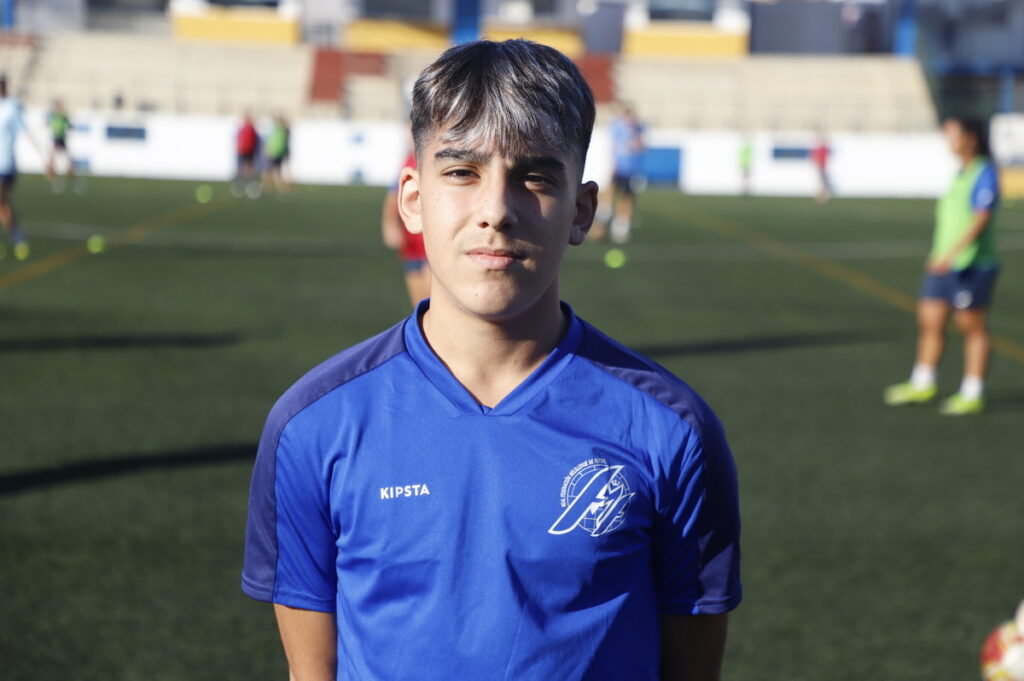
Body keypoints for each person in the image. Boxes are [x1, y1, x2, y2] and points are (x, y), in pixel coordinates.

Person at [242, 39, 742, 681]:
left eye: (534, 176)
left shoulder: (674, 433)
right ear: (412, 199)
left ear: (582, 211)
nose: (496, 212)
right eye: (461, 172)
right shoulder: (313, 428)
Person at [884, 116, 1000, 416]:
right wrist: (940, 255)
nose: (948, 140)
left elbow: (981, 218)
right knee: (930, 321)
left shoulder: (983, 172)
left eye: (952, 134)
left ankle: (973, 391)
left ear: (971, 138)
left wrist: (952, 255)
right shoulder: (959, 173)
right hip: (941, 265)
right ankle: (923, 382)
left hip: (970, 266)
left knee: (970, 327)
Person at [381, 144, 430, 307]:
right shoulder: (409, 161)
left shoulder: (435, 159)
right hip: (411, 241)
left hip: (431, 241)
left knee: (433, 302)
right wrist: (390, 224)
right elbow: (394, 195)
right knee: (419, 306)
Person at [596, 102, 645, 244]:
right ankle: (604, 215)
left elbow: (641, 146)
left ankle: (621, 225)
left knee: (627, 196)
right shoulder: (617, 126)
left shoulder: (638, 128)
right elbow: (613, 146)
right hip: (619, 167)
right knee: (610, 190)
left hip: (632, 169)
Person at [0, 76, 34, 261]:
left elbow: (24, 130)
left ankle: (18, 236)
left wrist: (44, 157)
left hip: (6, 165)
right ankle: (18, 236)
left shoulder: (12, 107)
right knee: (2, 204)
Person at [45, 99, 75, 192]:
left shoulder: (63, 116)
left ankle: (71, 179)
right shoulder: (53, 115)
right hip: (56, 138)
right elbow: (48, 123)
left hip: (61, 138)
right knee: (51, 160)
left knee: (67, 160)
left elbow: (69, 125)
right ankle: (54, 180)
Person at [232, 112, 261, 199]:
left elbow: (255, 142)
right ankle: (240, 187)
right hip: (243, 152)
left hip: (248, 152)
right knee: (242, 170)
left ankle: (249, 187)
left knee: (248, 170)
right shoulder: (244, 128)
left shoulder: (250, 129)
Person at [263, 114, 292, 194]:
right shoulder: (284, 130)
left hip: (273, 152)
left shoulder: (274, 130)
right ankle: (279, 188)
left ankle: (267, 188)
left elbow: (268, 141)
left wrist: (266, 151)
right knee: (276, 171)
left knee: (269, 170)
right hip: (278, 153)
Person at [811, 135, 832, 204]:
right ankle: (822, 198)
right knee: (823, 184)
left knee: (824, 184)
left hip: (822, 168)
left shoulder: (822, 149)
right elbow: (815, 157)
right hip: (821, 168)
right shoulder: (821, 149)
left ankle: (822, 198)